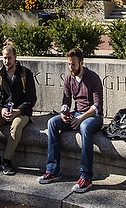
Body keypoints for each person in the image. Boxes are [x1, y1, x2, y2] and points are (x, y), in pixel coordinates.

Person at [39, 48, 103, 194]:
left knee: (85, 127)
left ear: (81, 63)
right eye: (68, 64)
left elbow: (97, 106)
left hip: (93, 117)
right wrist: (64, 112)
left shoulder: (93, 78)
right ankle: (52, 170)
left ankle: (86, 176)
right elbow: (66, 100)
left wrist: (80, 118)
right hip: (76, 114)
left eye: (73, 64)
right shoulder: (69, 78)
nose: (71, 68)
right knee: (52, 123)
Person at [0, 43, 37, 176]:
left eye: (9, 58)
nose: (7, 61)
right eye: (5, 58)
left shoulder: (25, 73)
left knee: (16, 125)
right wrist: (1, 110)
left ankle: (7, 160)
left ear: (15, 58)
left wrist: (18, 111)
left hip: (21, 112)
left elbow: (31, 98)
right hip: (4, 110)